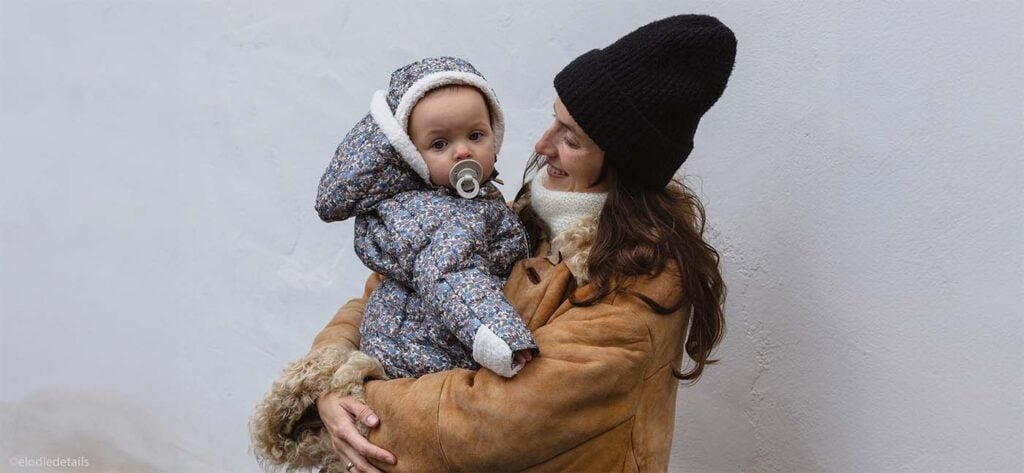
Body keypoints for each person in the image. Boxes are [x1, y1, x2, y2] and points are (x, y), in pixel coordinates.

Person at [250, 13, 736, 473]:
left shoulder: (638, 285)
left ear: (625, 162)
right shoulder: (525, 215)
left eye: (572, 138)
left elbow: (489, 421)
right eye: (553, 120)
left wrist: (356, 400)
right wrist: (330, 376)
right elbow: (387, 290)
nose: (542, 146)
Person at [313, 56, 539, 381]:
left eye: (475, 135)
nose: (462, 152)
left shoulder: (470, 199)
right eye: (439, 144)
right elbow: (451, 275)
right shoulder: (430, 212)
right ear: (411, 156)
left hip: (436, 339)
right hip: (421, 353)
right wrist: (504, 339)